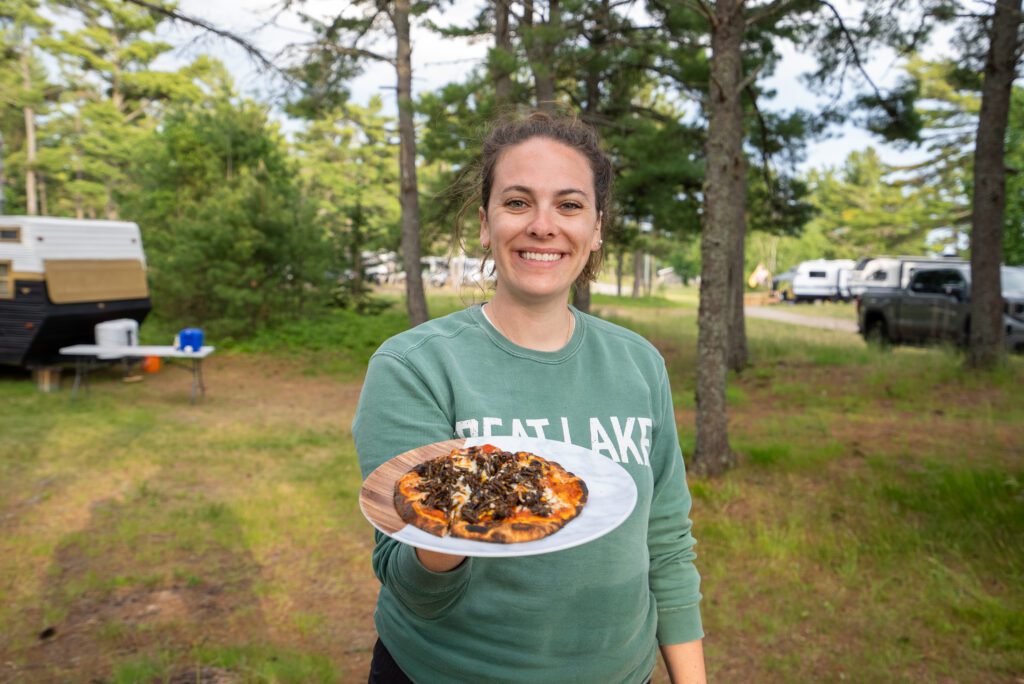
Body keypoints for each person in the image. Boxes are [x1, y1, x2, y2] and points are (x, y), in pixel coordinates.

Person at [353, 112, 705, 684]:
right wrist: (445, 518)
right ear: (486, 225)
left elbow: (664, 543)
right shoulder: (414, 366)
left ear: (596, 229)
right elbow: (413, 589)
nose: (543, 225)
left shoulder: (639, 364)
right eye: (517, 202)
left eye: (569, 205)